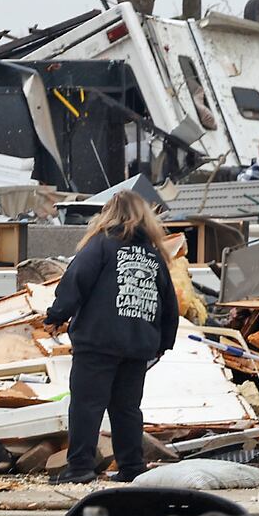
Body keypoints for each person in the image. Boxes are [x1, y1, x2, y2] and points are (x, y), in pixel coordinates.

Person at [43, 191, 180, 485]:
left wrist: (57, 314)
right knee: (127, 408)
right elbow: (169, 302)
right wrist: (164, 342)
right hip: (137, 345)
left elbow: (76, 278)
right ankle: (131, 467)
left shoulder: (102, 244)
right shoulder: (154, 254)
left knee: (86, 404)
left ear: (108, 214)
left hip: (99, 340)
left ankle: (80, 467)